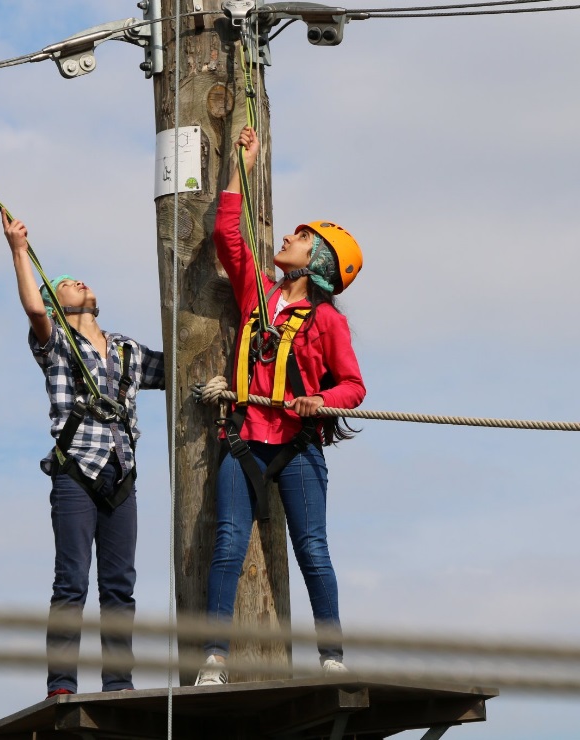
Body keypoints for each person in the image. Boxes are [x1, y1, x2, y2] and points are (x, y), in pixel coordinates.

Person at [195, 126, 367, 685]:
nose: (288, 237)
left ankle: (332, 657)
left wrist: (321, 400)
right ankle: (215, 658)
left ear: (315, 260)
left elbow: (353, 387)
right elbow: (228, 233)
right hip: (245, 434)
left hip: (296, 443)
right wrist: (241, 164)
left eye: (300, 237)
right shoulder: (259, 295)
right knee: (227, 545)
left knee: (312, 549)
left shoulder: (328, 322)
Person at [2, 210, 165, 698]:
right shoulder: (56, 343)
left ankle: (118, 682)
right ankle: (62, 684)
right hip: (76, 471)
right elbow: (33, 309)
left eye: (79, 280)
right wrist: (18, 250)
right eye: (66, 283)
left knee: (120, 588)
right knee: (71, 580)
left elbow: (179, 366)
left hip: (122, 476)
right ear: (57, 302)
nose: (78, 282)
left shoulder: (127, 350)